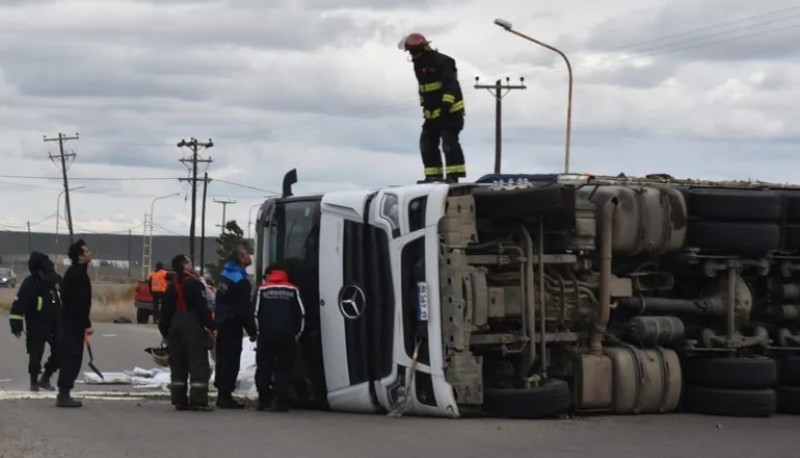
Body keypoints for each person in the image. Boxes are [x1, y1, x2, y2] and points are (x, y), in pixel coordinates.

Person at [399, 32, 467, 184]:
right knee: (426, 144)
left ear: (424, 48)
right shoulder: (419, 65)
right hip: (431, 115)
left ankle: (453, 177)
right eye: (410, 52)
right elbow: (424, 89)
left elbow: (451, 85)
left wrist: (446, 105)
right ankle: (433, 177)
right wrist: (425, 107)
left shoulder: (443, 61)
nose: (413, 55)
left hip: (450, 113)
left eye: (414, 52)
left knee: (449, 143)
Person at [158, 254, 215, 411]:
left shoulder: (170, 288)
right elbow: (203, 309)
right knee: (198, 364)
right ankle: (198, 401)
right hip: (193, 328)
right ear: (185, 265)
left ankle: (179, 400)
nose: (192, 264)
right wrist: (211, 327)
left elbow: (164, 314)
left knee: (178, 364)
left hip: (175, 329)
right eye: (189, 262)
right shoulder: (196, 285)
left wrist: (165, 332)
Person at [253, 264, 305, 412]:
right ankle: (279, 400)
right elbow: (301, 314)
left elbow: (255, 313)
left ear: (271, 274)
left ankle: (263, 400)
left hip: (266, 335)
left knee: (264, 366)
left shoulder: (262, 290)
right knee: (283, 368)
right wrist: (297, 334)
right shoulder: (293, 290)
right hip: (287, 336)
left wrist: (258, 332)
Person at [8, 252, 62, 392]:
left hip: (55, 322)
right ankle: (34, 381)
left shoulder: (55, 281)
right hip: (36, 324)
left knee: (61, 350)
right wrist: (16, 327)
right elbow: (17, 307)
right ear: (38, 272)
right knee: (35, 354)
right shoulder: (29, 285)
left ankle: (46, 377)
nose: (48, 276)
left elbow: (67, 298)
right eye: (45, 273)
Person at [213, 246, 257, 409]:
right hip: (232, 324)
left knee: (222, 358)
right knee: (231, 360)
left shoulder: (224, 275)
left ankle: (221, 394)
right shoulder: (241, 281)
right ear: (240, 259)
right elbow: (243, 309)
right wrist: (252, 331)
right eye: (246, 254)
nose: (249, 256)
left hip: (222, 322)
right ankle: (225, 396)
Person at [56, 239, 93, 408]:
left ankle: (65, 392)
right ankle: (63, 394)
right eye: (86, 251)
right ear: (79, 256)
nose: (89, 253)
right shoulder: (76, 275)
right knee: (72, 358)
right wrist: (85, 324)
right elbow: (78, 303)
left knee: (73, 357)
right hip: (71, 324)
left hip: (72, 323)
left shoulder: (78, 273)